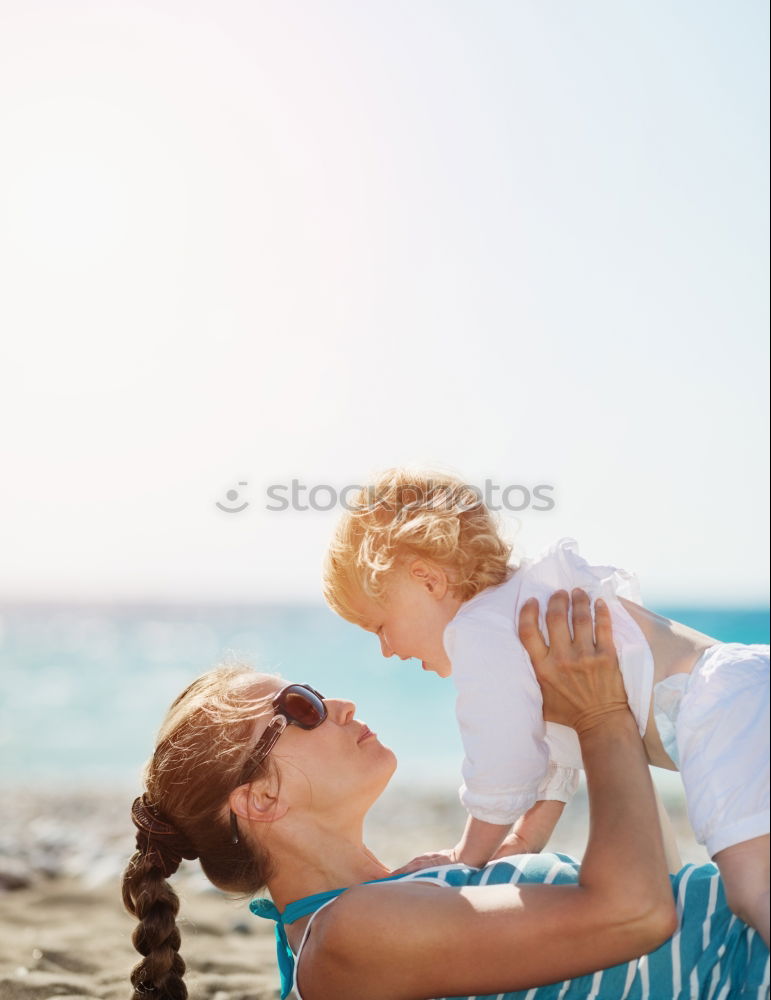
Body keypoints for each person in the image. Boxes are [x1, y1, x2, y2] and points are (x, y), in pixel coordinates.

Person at [123, 592, 769, 1000]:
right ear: (259, 800)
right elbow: (638, 915)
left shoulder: (396, 896)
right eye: (301, 707)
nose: (338, 703)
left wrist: (585, 722)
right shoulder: (347, 938)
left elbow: (662, 892)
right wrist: (599, 713)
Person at [323, 467, 771, 945]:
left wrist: (467, 854)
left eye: (379, 626)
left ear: (428, 580)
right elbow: (555, 748)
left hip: (717, 706)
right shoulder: (512, 606)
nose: (387, 650)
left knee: (753, 890)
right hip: (737, 684)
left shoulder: (475, 631)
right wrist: (524, 840)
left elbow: (503, 760)